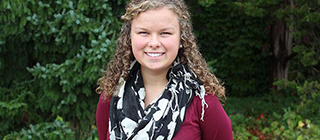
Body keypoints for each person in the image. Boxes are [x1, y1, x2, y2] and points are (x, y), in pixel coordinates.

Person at [96, 0, 233, 139]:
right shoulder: (111, 96)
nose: (154, 43)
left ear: (181, 39)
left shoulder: (203, 102)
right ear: (129, 37)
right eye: (144, 32)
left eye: (165, 33)